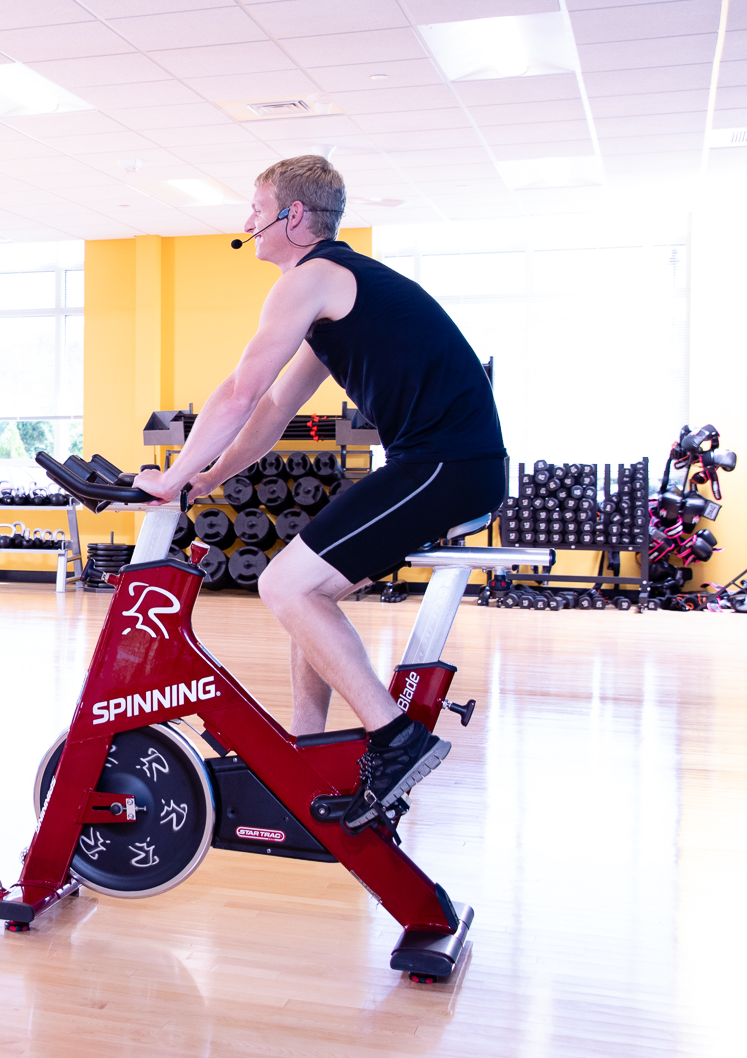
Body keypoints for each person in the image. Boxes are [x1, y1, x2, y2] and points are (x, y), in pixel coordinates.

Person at [134, 155, 506, 830]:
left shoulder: (313, 277)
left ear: (291, 216)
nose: (247, 221)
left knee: (284, 586)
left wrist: (169, 472)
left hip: (448, 462)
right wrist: (207, 477)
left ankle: (397, 739)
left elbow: (239, 389)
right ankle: (311, 750)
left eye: (256, 207)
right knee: (309, 592)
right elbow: (272, 409)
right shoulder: (333, 293)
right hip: (443, 460)